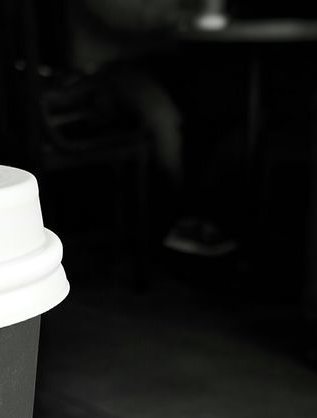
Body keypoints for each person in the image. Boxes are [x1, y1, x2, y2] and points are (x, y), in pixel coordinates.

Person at [69, 0, 244, 255]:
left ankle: (205, 217)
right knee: (166, 115)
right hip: (99, 70)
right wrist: (182, 15)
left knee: (217, 95)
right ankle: (182, 216)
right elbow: (123, 15)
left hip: (154, 58)